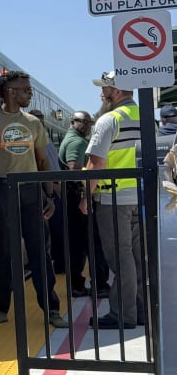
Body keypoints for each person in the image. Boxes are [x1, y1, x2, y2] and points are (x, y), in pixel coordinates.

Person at [0, 70, 69, 328]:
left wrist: (48, 194)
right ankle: (1, 309)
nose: (29, 94)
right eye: (25, 90)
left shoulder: (34, 124)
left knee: (40, 253)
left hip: (31, 191)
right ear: (10, 92)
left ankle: (52, 310)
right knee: (2, 253)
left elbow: (43, 161)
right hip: (1, 190)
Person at [83, 71, 145, 329]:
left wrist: (86, 196)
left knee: (120, 260)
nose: (101, 93)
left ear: (116, 91)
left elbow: (96, 163)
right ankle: (139, 311)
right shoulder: (144, 118)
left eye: (105, 88)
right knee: (136, 258)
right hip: (138, 197)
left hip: (113, 197)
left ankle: (122, 315)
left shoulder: (110, 119)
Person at [58, 111, 110, 298]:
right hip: (79, 197)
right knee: (90, 242)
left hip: (74, 197)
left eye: (89, 122)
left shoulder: (72, 139)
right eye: (83, 122)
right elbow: (74, 169)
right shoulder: (77, 142)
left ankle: (79, 284)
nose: (87, 125)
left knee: (79, 242)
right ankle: (97, 284)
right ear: (73, 122)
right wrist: (85, 196)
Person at [30, 109, 66, 274]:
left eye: (41, 118)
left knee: (59, 231)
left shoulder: (47, 139)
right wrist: (52, 186)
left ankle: (60, 265)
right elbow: (39, 165)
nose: (40, 121)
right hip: (46, 191)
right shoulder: (32, 140)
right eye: (36, 119)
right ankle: (57, 267)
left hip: (55, 189)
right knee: (53, 231)